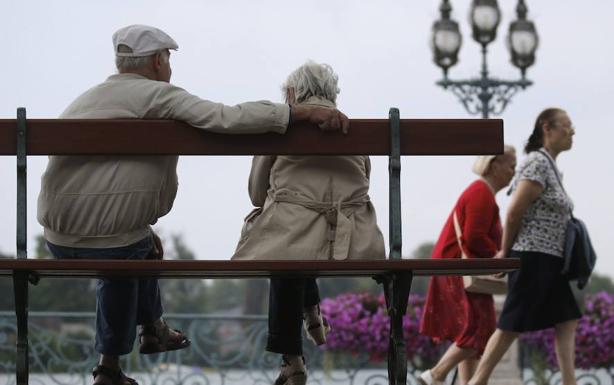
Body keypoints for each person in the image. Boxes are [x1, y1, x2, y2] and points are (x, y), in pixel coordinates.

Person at [37, 25, 349, 385]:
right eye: (168, 59)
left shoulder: (84, 101)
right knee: (126, 254)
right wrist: (300, 114)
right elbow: (227, 118)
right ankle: (118, 361)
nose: (169, 67)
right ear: (157, 61)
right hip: (115, 245)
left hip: (56, 239)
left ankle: (145, 337)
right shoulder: (159, 96)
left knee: (139, 246)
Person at [232, 61, 386, 385]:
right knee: (304, 240)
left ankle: (293, 362)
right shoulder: (356, 133)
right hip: (351, 245)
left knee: (286, 249)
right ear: (333, 95)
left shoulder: (279, 130)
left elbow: (257, 194)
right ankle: (312, 313)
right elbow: (363, 185)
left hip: (292, 241)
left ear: (291, 95)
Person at [466, 108, 580, 385]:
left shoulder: (549, 166)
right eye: (566, 125)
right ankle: (476, 383)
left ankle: (569, 381)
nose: (572, 130)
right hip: (532, 257)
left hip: (551, 260)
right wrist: (505, 252)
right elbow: (514, 211)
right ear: (547, 128)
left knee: (567, 320)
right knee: (510, 325)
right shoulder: (537, 163)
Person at [418, 145, 517, 385]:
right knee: (480, 329)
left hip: (455, 268)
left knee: (470, 329)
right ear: (495, 165)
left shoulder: (481, 192)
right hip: (459, 269)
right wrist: (497, 256)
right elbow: (474, 236)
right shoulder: (481, 192)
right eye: (511, 165)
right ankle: (436, 374)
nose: (514, 172)